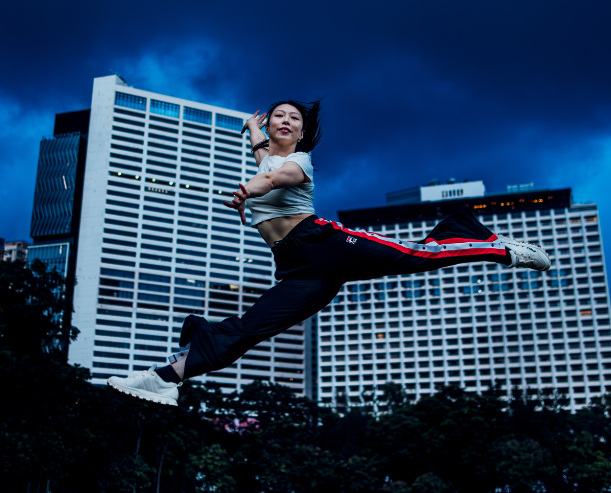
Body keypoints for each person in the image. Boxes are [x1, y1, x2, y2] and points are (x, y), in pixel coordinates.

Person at [107, 99, 550, 405]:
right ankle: (165, 379)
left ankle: (498, 248)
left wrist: (246, 191)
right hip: (297, 269)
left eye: (293, 119)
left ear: (303, 132)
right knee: (248, 329)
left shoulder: (299, 162)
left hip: (324, 243)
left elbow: (272, 180)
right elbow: (262, 154)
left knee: (418, 256)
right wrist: (252, 126)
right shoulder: (265, 152)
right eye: (278, 115)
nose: (284, 121)